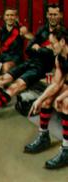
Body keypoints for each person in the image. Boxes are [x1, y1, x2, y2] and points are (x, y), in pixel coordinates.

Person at [0, 4, 61, 122]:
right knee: (2, 79)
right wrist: (44, 48)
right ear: (47, 15)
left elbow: (53, 53)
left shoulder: (62, 33)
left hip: (41, 68)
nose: (52, 17)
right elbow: (29, 49)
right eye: (51, 14)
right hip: (30, 62)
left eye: (55, 14)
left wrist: (39, 48)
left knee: (15, 86)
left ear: (60, 16)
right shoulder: (42, 30)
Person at [26, 29, 68, 169]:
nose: (50, 47)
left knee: (66, 103)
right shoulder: (59, 58)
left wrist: (61, 97)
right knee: (47, 100)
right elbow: (56, 83)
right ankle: (44, 137)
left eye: (53, 43)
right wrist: (39, 100)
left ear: (62, 42)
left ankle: (66, 149)